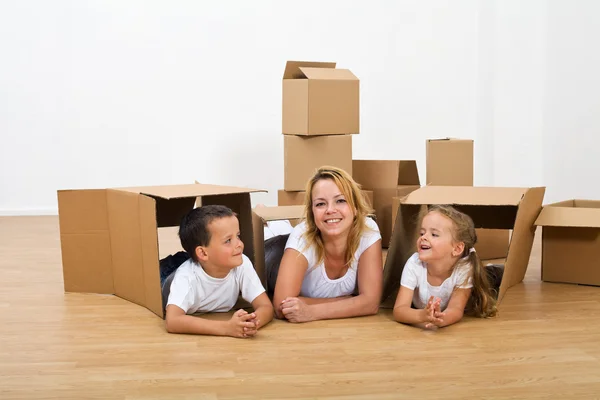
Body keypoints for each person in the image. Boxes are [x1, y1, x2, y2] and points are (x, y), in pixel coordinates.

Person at [272, 166, 383, 323]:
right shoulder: (301, 237)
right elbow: (281, 305)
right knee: (273, 231)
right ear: (312, 212)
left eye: (340, 201)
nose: (330, 210)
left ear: (356, 208)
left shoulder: (368, 231)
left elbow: (371, 303)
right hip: (271, 254)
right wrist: (351, 302)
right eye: (320, 204)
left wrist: (311, 311)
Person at [164, 205, 273, 338]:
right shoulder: (186, 277)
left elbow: (265, 306)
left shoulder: (241, 263)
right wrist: (226, 328)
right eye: (228, 240)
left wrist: (251, 323)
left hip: (200, 261)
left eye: (238, 236)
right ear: (203, 252)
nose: (239, 244)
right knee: (168, 267)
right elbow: (172, 321)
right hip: (168, 276)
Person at [393, 205, 499, 329]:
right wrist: (422, 315)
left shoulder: (465, 269)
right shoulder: (414, 264)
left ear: (457, 248)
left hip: (487, 274)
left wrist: (442, 319)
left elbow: (456, 309)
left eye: (434, 234)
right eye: (422, 232)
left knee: (492, 276)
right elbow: (399, 310)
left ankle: (495, 268)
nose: (423, 237)